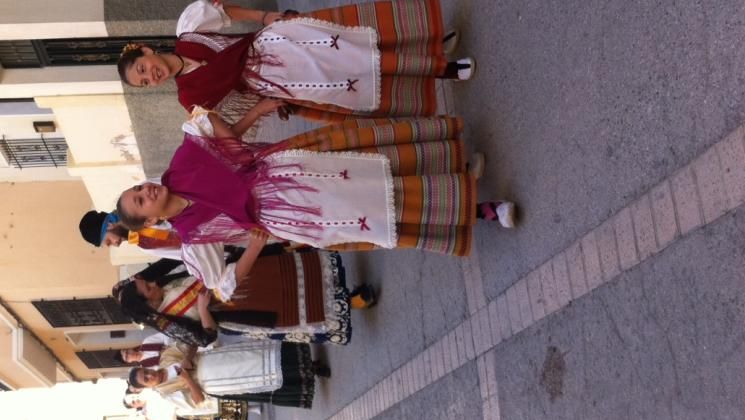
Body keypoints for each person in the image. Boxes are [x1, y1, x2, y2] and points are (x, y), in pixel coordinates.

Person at [115, 107, 515, 291]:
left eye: (138, 190)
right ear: (149, 222)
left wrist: (252, 126)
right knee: (378, 212)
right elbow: (224, 284)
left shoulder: (182, 160)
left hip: (283, 168)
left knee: (375, 162)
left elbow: (211, 125)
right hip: (290, 215)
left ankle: (456, 168)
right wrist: (254, 247)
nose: (145, 192)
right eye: (140, 203)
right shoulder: (190, 236)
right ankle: (482, 210)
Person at [117, 0, 475, 132]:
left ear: (146, 51)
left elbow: (225, 13)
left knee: (359, 45)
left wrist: (266, 15)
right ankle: (436, 69)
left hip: (277, 43)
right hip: (277, 85)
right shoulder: (189, 102)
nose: (152, 76)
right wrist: (260, 110)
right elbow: (226, 133)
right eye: (145, 83)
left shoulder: (188, 29)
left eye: (143, 69)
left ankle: (441, 63)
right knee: (357, 81)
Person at [116, 245, 358, 345]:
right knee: (294, 305)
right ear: (147, 304)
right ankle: (351, 303)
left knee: (293, 276)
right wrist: (202, 310)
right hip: (242, 309)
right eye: (147, 288)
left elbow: (180, 261)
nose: (151, 283)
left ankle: (341, 289)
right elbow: (206, 338)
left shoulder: (164, 286)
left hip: (244, 277)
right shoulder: (168, 321)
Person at [128, 339, 326, 409]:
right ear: (147, 387)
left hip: (219, 359)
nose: (149, 376)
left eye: (146, 372)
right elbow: (197, 401)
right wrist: (188, 380)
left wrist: (188, 356)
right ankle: (308, 375)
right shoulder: (167, 394)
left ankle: (309, 363)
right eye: (146, 380)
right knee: (264, 376)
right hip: (222, 382)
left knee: (261, 356)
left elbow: (192, 343)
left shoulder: (165, 357)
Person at [79, 209, 182, 257]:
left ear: (109, 224)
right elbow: (183, 252)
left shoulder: (139, 207)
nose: (116, 245)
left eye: (109, 241)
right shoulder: (144, 244)